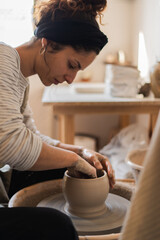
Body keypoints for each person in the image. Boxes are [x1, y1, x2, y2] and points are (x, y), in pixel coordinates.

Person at [0, 0, 115, 239]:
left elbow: (30, 138)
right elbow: (9, 144)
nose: (71, 78)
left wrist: (81, 153)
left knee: (64, 168)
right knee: (57, 226)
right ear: (48, 43)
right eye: (72, 65)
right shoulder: (2, 61)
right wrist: (73, 160)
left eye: (77, 71)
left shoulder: (17, 75)